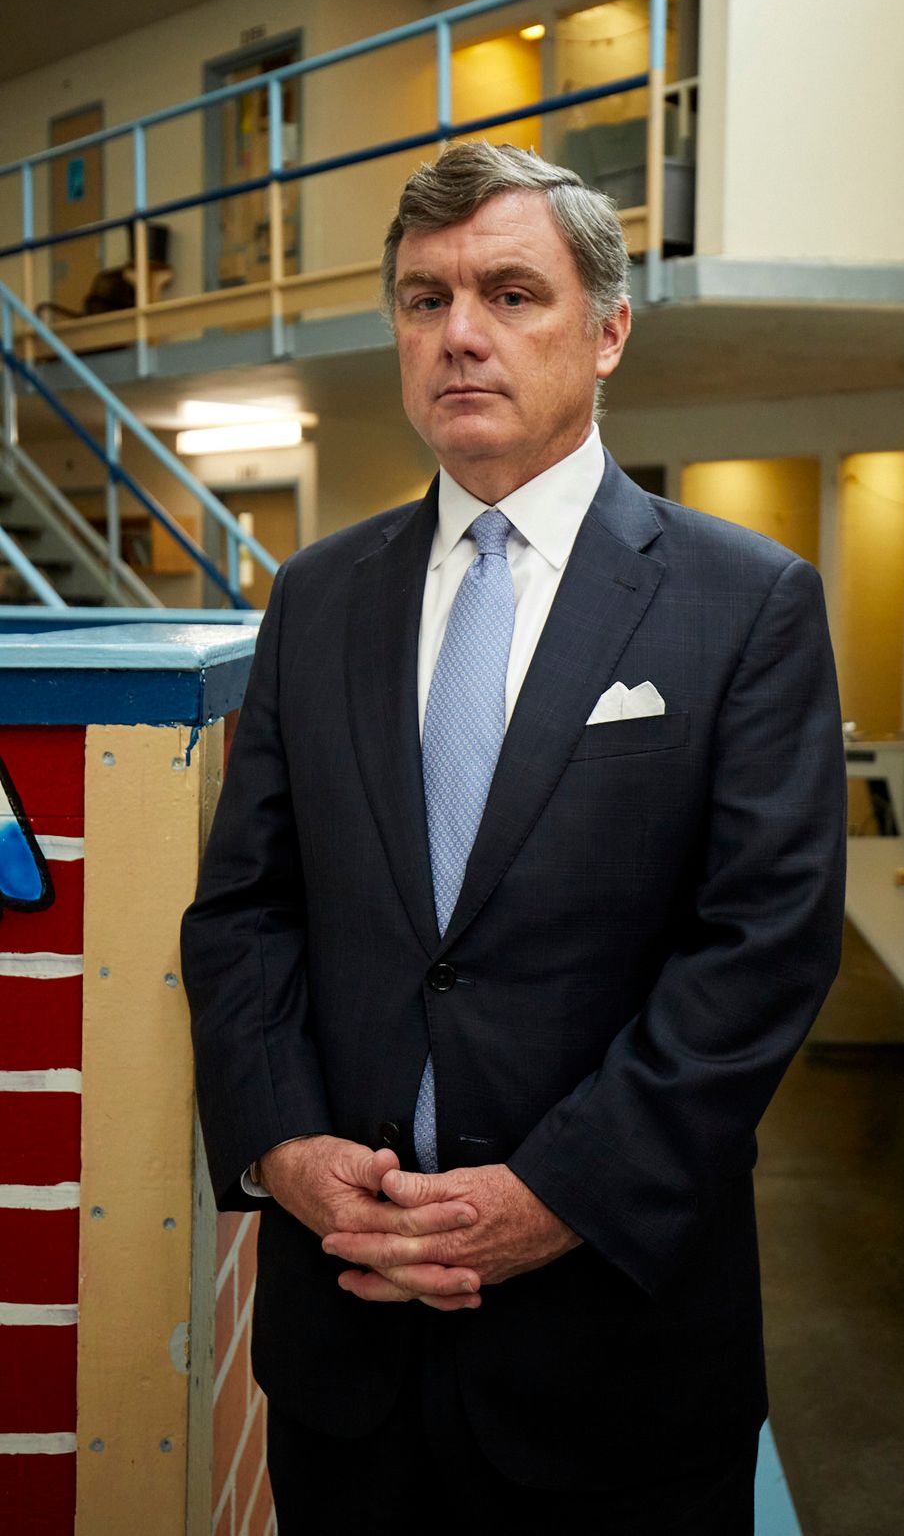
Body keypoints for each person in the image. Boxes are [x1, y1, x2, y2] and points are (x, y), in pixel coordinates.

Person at [181, 140, 847, 1534]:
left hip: (615, 1357)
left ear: (607, 331)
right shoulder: (315, 598)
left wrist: (553, 1193)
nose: (461, 334)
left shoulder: (746, 604)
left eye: (508, 292)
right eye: (425, 301)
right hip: (349, 1352)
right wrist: (284, 1145)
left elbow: (761, 951)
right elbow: (246, 911)